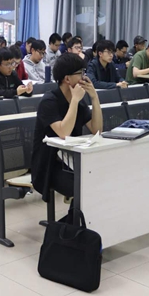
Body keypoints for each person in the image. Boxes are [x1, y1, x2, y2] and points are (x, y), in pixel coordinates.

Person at [31, 53, 102, 205]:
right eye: (80, 73)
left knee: (100, 180)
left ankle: (76, 218)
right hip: (50, 165)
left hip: (71, 160)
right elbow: (64, 132)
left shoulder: (79, 102)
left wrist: (94, 97)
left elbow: (97, 130)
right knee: (84, 186)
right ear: (67, 79)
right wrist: (75, 100)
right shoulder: (48, 101)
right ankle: (75, 219)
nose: (84, 77)